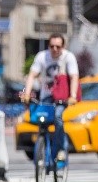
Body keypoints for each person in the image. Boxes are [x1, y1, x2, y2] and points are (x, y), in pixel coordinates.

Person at [21, 33, 79, 165]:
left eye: (58, 46)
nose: (54, 49)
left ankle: (61, 149)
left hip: (62, 97)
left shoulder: (68, 57)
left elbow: (74, 77)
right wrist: (26, 93)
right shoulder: (42, 56)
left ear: (63, 47)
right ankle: (43, 146)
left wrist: (73, 96)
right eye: (52, 46)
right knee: (40, 119)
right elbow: (31, 76)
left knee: (58, 117)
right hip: (46, 97)